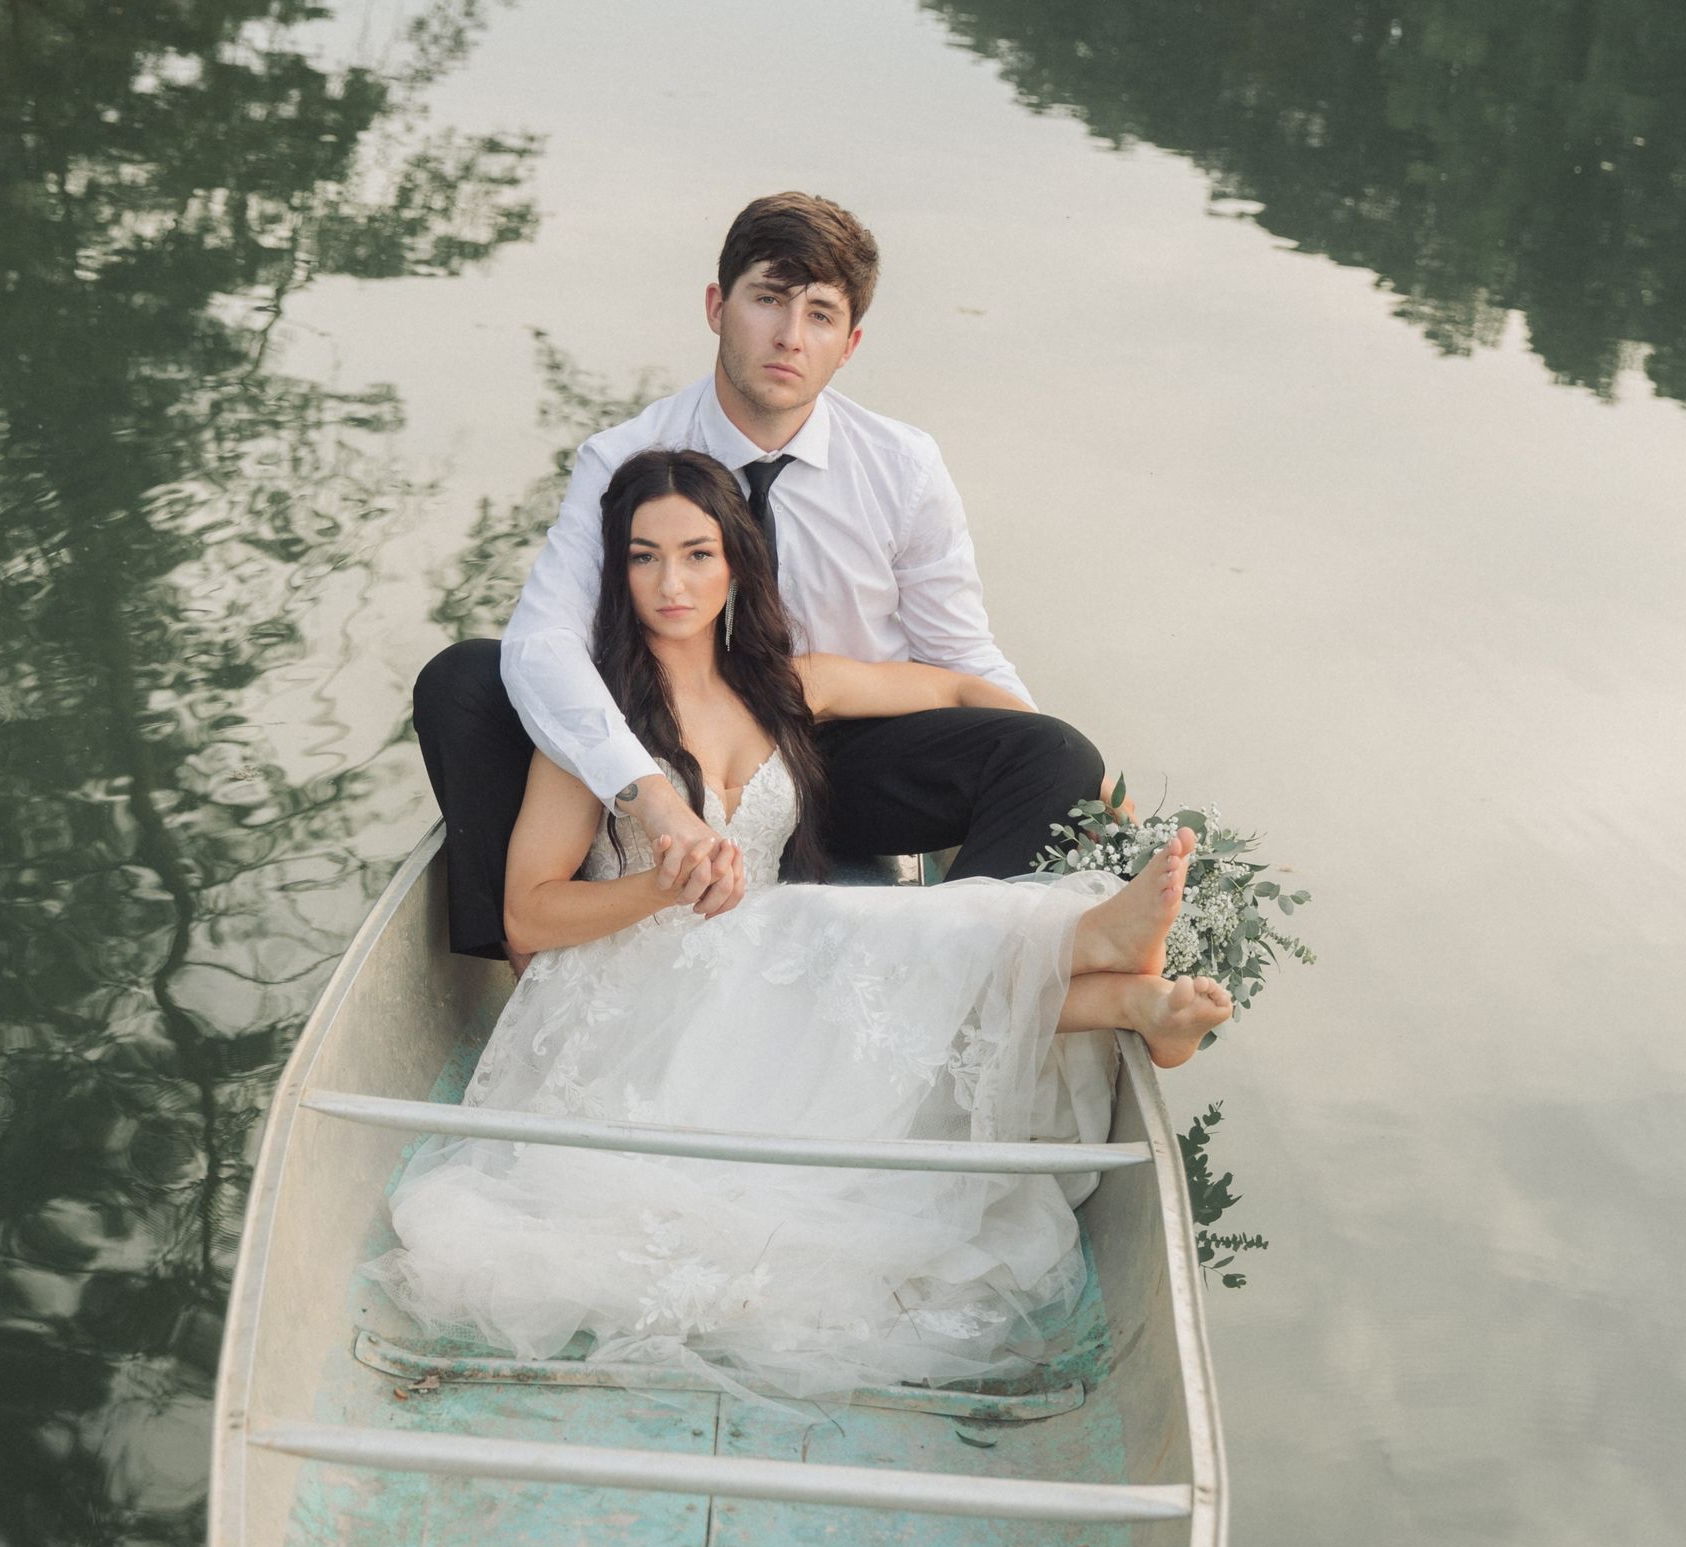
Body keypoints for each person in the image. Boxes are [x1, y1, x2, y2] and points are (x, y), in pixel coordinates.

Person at [367, 452, 1230, 1403]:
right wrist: (658, 890)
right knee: (849, 934)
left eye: (696, 555)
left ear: (735, 563)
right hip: (631, 986)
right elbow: (528, 908)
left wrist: (1094, 780)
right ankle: (1100, 965)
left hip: (769, 955)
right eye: (644, 558)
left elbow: (948, 691)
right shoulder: (588, 718)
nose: (672, 583)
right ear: (615, 573)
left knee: (846, 944)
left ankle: (1130, 994)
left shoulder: (785, 687)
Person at [414, 191, 1117, 961]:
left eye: (819, 314)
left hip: (840, 756)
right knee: (467, 680)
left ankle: (957, 970)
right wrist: (647, 794)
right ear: (717, 306)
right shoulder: (627, 457)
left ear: (848, 345)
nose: (789, 336)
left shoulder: (903, 466)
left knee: (1057, 756)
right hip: (670, 744)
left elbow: (960, 656)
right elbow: (545, 642)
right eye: (769, 300)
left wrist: (1080, 788)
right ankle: (514, 978)